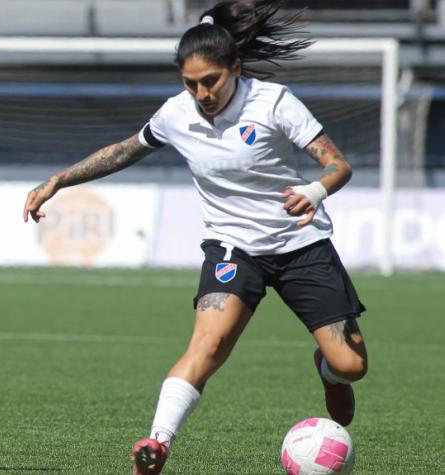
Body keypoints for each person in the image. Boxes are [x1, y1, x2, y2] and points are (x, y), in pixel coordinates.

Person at [22, 2, 367, 473]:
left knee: (351, 365)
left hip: (300, 244)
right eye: (191, 83)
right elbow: (124, 150)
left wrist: (314, 189)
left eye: (211, 81)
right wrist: (59, 180)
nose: (202, 93)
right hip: (232, 247)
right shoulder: (176, 114)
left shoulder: (274, 102)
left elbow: (338, 164)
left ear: (236, 69)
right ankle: (156, 443)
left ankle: (328, 373)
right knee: (206, 344)